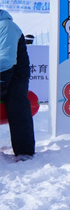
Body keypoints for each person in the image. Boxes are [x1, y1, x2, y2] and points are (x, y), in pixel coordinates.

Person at [0, 9, 35, 160]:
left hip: (15, 75)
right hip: (4, 71)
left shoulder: (6, 26)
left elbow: (5, 60)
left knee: (17, 104)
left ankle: (24, 151)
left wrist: (2, 84)